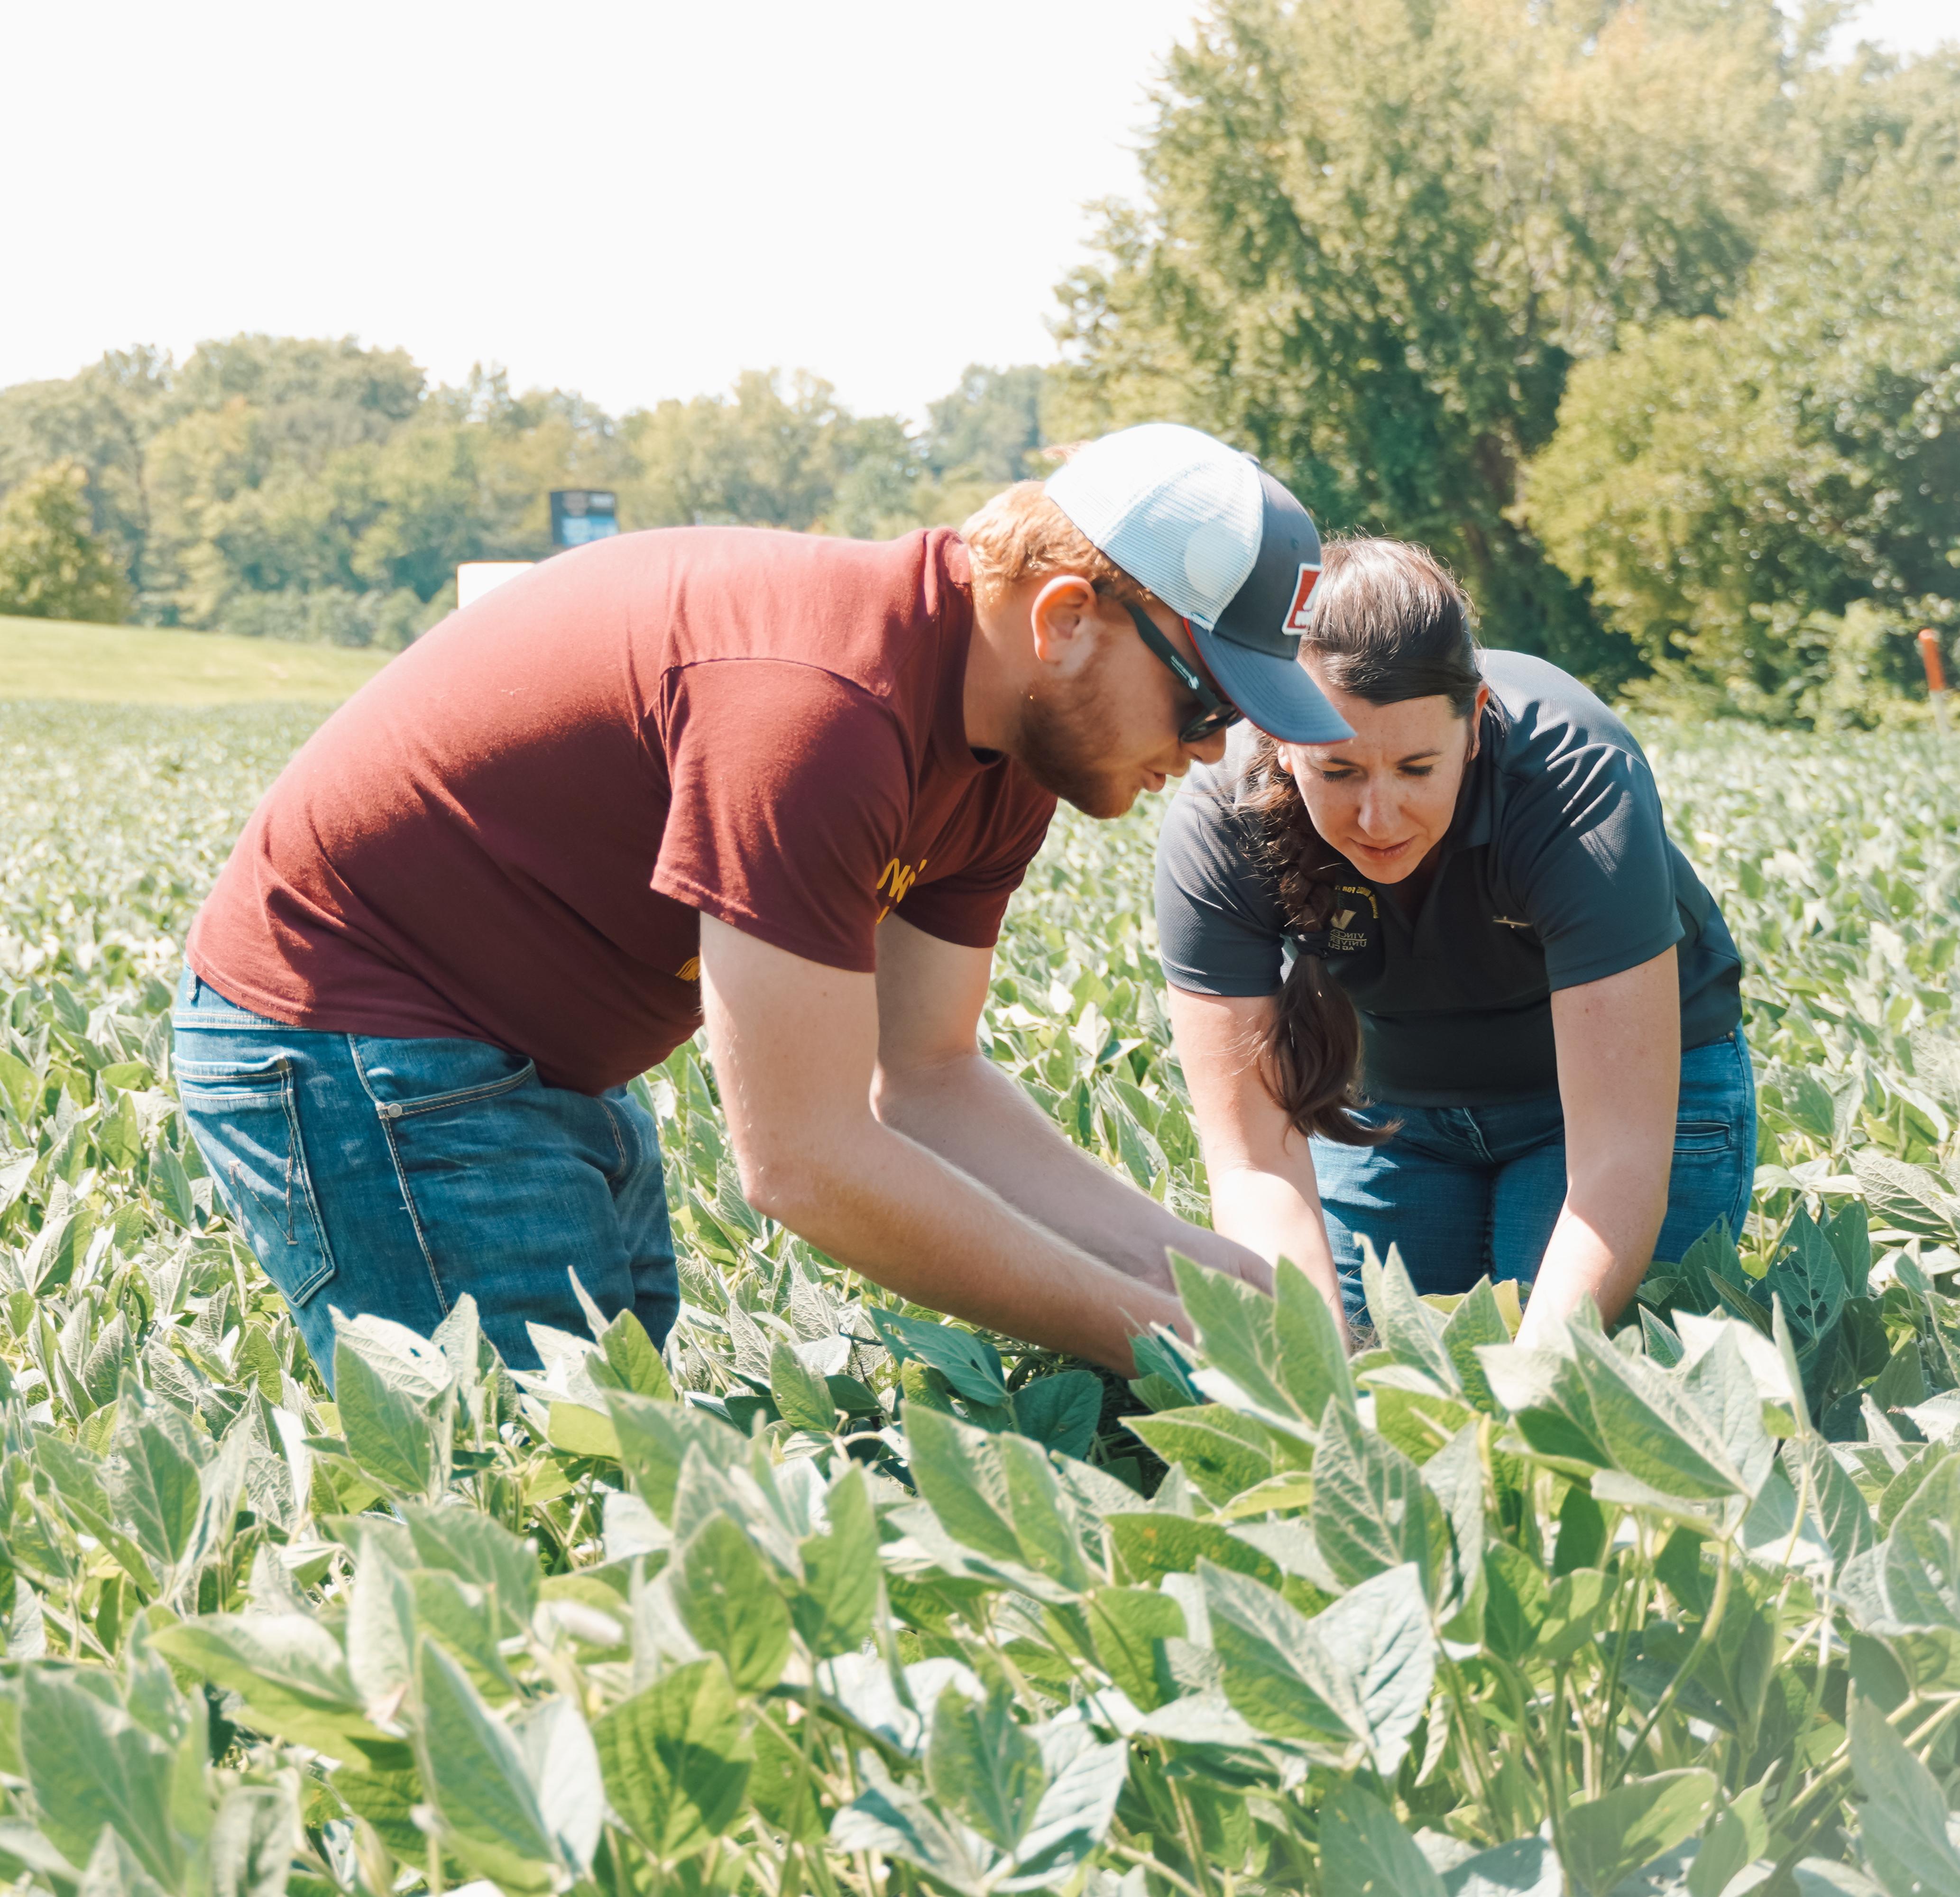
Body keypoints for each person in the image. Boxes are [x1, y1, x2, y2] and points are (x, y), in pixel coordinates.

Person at [173, 423, 1354, 1383]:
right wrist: (1162, 1340)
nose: (1211, 752)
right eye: (1203, 700)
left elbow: (927, 1078)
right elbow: (804, 1159)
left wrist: (1215, 1280)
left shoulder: (1014, 752)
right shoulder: (823, 715)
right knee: (529, 1494)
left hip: (532, 1059)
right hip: (356, 1041)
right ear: (1063, 621)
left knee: (611, 1458)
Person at [1154, 538, 1751, 1346]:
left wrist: (1531, 1387)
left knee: (1573, 1375)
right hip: (1395, 1112)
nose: (1378, 816)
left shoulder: (1570, 776)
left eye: (1414, 766)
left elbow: (1615, 1166)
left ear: (1473, 724)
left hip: (1613, 1111)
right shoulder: (1219, 817)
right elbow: (1255, 1164)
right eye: (1337, 773)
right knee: (1365, 1356)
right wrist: (1317, 1376)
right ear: (1278, 733)